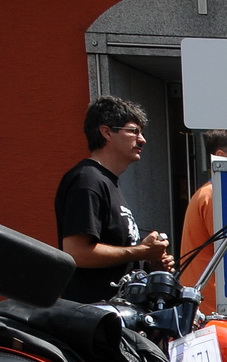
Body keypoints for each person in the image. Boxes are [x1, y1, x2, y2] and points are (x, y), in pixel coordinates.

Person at [55, 96, 173, 305]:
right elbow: (76, 252)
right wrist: (141, 251)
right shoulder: (87, 180)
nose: (142, 140)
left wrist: (150, 262)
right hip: (94, 317)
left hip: (117, 315)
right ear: (106, 132)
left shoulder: (108, 182)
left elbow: (118, 255)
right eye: (133, 131)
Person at [179, 129, 227, 312]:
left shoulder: (211, 192)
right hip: (214, 310)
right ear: (221, 157)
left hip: (213, 307)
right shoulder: (216, 195)